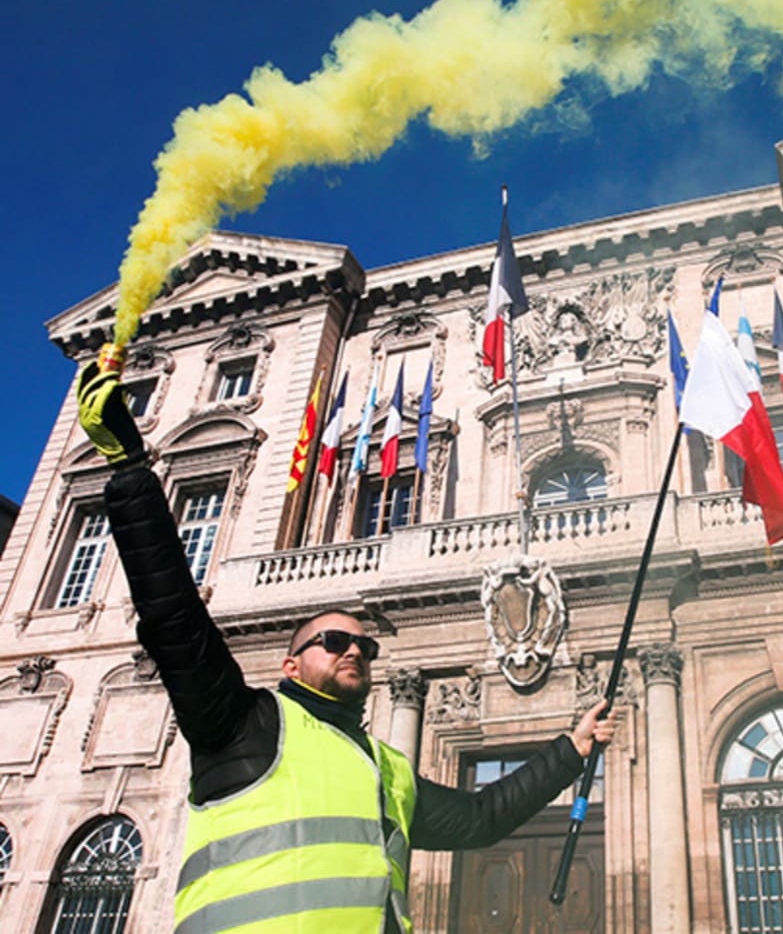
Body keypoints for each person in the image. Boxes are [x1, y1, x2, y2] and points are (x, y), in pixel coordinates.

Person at [77, 360, 617, 934]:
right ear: (290, 664)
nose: (354, 651)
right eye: (334, 641)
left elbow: (481, 818)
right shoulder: (242, 723)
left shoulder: (388, 770)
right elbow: (174, 617)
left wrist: (572, 749)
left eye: (365, 645)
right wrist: (131, 472)